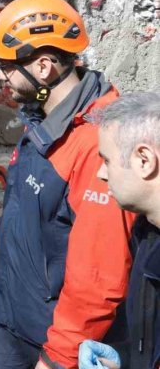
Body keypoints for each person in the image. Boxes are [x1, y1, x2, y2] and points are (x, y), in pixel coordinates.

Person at [0, 0, 137, 369]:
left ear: (44, 67)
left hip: (53, 342)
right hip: (11, 320)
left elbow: (99, 274)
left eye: (7, 66)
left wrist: (58, 358)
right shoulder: (44, 120)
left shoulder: (97, 142)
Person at [77, 92, 160, 369]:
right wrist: (122, 359)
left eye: (107, 160)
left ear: (144, 161)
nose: (101, 173)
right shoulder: (147, 236)